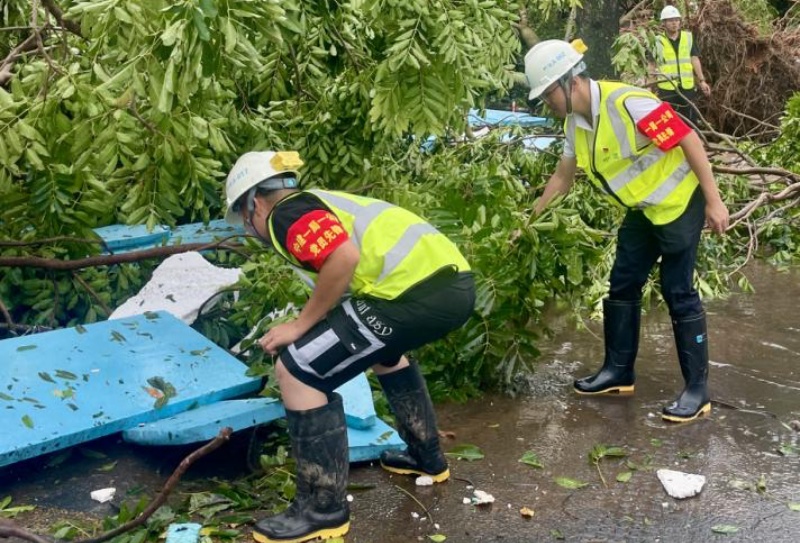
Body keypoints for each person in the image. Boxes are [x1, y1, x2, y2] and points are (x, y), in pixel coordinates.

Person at [224, 151, 475, 543]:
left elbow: (342, 259)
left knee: (297, 369)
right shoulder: (320, 202)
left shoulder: (285, 213)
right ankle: (426, 458)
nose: (247, 225)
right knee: (383, 354)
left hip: (409, 294)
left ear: (253, 201)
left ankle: (322, 510)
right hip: (452, 288)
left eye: (243, 216)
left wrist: (300, 326)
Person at [523, 40, 729, 424]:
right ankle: (618, 373)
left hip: (680, 204)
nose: (546, 103)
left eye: (548, 93)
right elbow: (561, 179)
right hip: (643, 210)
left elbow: (687, 139)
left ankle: (697, 391)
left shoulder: (628, 105)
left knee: (677, 291)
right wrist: (529, 222)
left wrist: (714, 201)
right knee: (622, 283)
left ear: (571, 82)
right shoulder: (575, 126)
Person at [649, 5, 711, 125]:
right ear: (664, 23)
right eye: (671, 20)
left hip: (687, 88)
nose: (674, 23)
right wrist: (651, 87)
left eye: (677, 20)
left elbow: (694, 59)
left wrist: (702, 80)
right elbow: (651, 64)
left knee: (690, 121)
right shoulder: (656, 41)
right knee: (669, 122)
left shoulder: (688, 37)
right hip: (667, 89)